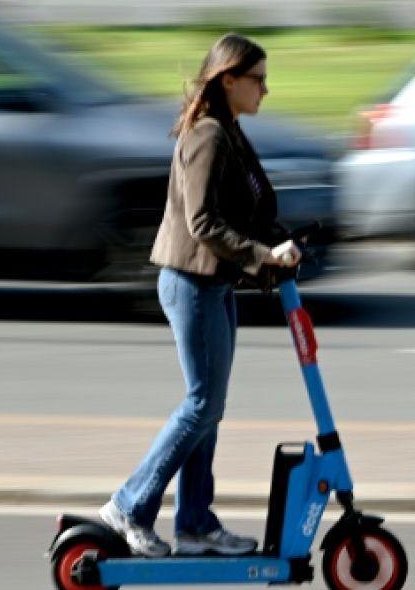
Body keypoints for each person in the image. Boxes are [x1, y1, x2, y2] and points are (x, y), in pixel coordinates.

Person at [100, 33, 301, 558]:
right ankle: (127, 506)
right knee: (201, 404)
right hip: (190, 281)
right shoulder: (207, 136)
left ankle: (194, 524)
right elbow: (204, 222)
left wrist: (281, 243)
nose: (266, 89)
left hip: (213, 283)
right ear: (228, 79)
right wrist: (260, 256)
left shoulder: (230, 131)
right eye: (258, 79)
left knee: (209, 407)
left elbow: (246, 211)